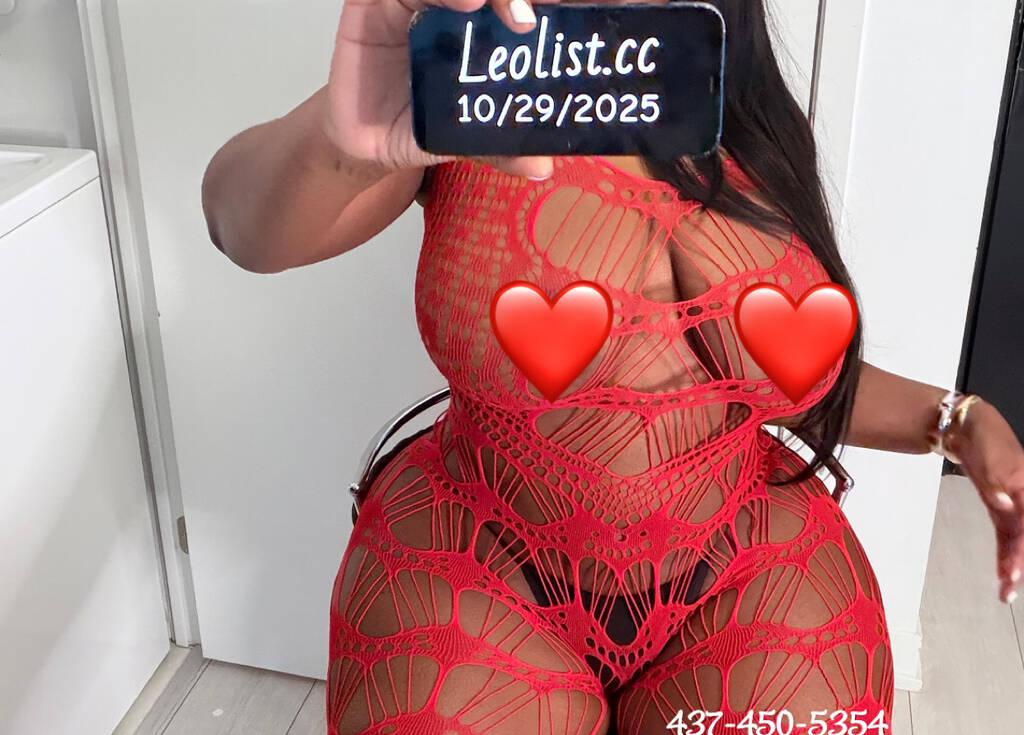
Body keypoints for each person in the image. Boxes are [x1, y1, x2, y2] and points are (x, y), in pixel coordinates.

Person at [201, 0, 1024, 732]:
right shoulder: (470, 100)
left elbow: (793, 376)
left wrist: (955, 420)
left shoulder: (756, 125)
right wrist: (341, 137)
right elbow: (238, 225)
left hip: (744, 569)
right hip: (482, 566)